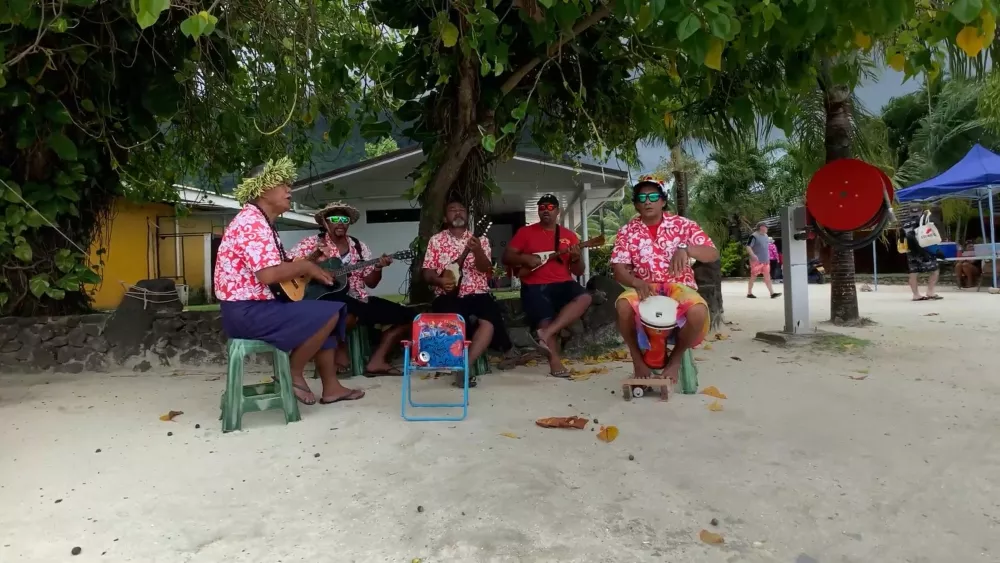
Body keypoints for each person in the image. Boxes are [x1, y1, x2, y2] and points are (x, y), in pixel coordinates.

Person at [213, 157, 364, 405]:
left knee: (323, 312)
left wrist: (311, 260)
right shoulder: (252, 223)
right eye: (282, 185)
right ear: (263, 189)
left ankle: (331, 388)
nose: (289, 190)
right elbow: (269, 275)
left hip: (256, 308)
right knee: (330, 313)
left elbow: (279, 267)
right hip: (248, 313)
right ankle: (293, 373)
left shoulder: (261, 222)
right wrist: (306, 266)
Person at [610, 176, 719, 384]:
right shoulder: (626, 232)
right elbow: (618, 269)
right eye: (642, 197)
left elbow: (712, 253)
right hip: (644, 287)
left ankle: (675, 360)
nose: (647, 201)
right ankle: (637, 359)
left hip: (678, 287)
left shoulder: (683, 225)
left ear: (662, 200)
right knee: (623, 305)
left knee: (698, 310)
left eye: (653, 196)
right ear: (636, 204)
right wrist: (636, 282)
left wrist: (687, 250)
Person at [288, 202, 413, 376]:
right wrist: (315, 264)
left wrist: (378, 267)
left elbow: (371, 283)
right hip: (321, 298)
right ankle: (337, 351)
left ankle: (377, 360)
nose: (340, 222)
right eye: (335, 219)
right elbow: (289, 266)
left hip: (357, 298)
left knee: (407, 317)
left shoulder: (359, 247)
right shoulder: (311, 243)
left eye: (344, 219)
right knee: (344, 311)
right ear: (325, 222)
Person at [421, 200, 514, 387]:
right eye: (452, 210)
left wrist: (477, 249)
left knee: (489, 321)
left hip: (477, 292)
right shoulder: (436, 241)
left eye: (461, 210)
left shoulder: (481, 240)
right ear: (445, 217)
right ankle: (459, 362)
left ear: (468, 216)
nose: (457, 213)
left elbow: (485, 268)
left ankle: (464, 367)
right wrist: (440, 281)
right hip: (447, 295)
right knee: (454, 318)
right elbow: (427, 271)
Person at [502, 194, 592, 378]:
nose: (545, 210)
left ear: (558, 211)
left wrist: (575, 257)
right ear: (538, 210)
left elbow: (580, 271)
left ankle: (546, 333)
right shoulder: (525, 233)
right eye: (542, 207)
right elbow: (507, 257)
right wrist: (525, 258)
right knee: (544, 318)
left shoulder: (569, 236)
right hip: (534, 285)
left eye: (550, 207)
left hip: (564, 283)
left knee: (585, 297)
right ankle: (554, 361)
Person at [902, 205, 942, 301]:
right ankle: (930, 292)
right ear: (921, 211)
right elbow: (928, 235)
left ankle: (916, 295)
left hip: (911, 251)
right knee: (935, 270)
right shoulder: (922, 220)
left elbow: (902, 236)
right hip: (923, 248)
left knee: (913, 273)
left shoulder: (904, 223)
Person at [746, 222, 781, 299]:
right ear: (761, 227)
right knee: (753, 276)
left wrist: (768, 258)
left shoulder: (766, 236)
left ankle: (772, 293)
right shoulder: (753, 236)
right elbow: (748, 247)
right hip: (756, 261)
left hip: (765, 261)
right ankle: (749, 293)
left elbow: (765, 248)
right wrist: (753, 255)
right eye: (766, 227)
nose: (767, 228)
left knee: (767, 277)